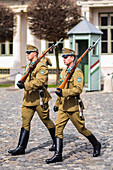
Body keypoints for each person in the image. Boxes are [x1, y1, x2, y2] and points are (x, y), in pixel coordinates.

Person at [46, 48, 101, 164]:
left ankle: (96, 144)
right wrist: (57, 103)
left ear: (72, 58)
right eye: (63, 57)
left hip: (73, 107)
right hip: (63, 107)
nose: (64, 59)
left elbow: (78, 89)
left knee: (81, 129)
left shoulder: (77, 72)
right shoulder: (63, 72)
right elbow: (60, 89)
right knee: (58, 130)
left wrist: (64, 93)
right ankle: (58, 155)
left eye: (66, 57)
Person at [8, 44, 55, 156]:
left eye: (29, 53)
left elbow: (40, 82)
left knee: (46, 120)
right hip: (28, 99)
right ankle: (21, 147)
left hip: (39, 99)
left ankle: (56, 142)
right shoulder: (28, 66)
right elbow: (26, 77)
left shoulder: (41, 66)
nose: (27, 55)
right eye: (27, 53)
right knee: (25, 122)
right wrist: (21, 82)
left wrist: (25, 85)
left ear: (35, 53)